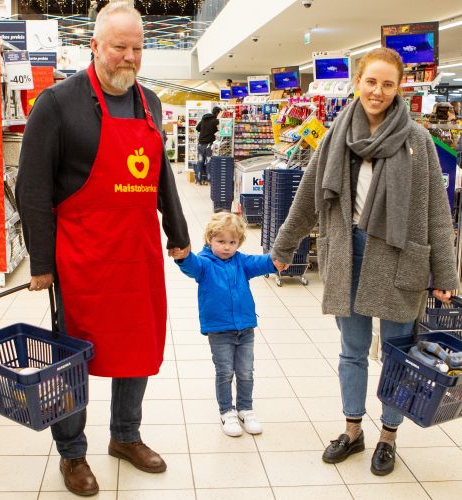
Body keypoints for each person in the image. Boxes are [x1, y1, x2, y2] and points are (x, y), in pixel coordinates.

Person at [16, 2, 190, 496]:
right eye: (119, 47)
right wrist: (43, 264)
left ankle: (125, 436)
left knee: (135, 350)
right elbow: (32, 190)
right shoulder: (57, 104)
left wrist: (177, 234)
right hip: (80, 259)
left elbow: (161, 176)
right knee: (73, 358)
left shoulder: (150, 103)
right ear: (94, 46)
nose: (129, 57)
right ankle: (72, 454)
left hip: (136, 256)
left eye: (137, 48)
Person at [271, 47, 458, 476]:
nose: (378, 91)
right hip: (347, 253)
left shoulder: (417, 141)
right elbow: (308, 197)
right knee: (352, 351)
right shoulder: (338, 135)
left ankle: (389, 436)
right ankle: (353, 431)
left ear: (399, 88)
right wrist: (283, 248)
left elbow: (436, 213)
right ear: (358, 82)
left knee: (396, 353)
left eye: (387, 84)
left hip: (398, 258)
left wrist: (445, 274)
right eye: (371, 81)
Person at [171, 212, 285, 437]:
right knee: (224, 372)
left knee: (246, 371)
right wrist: (182, 257)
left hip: (245, 329)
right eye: (220, 241)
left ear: (239, 243)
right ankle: (227, 411)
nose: (226, 247)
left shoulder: (241, 262)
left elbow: (261, 263)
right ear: (209, 240)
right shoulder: (204, 264)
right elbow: (190, 265)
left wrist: (276, 260)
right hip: (219, 331)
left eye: (232, 242)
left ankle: (245, 408)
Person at [195, 106, 221, 184]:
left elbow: (197, 128)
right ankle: (209, 180)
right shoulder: (216, 121)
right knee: (209, 162)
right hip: (209, 144)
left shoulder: (203, 119)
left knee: (200, 162)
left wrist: (204, 130)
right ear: (217, 113)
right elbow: (219, 131)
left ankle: (199, 179)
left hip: (200, 144)